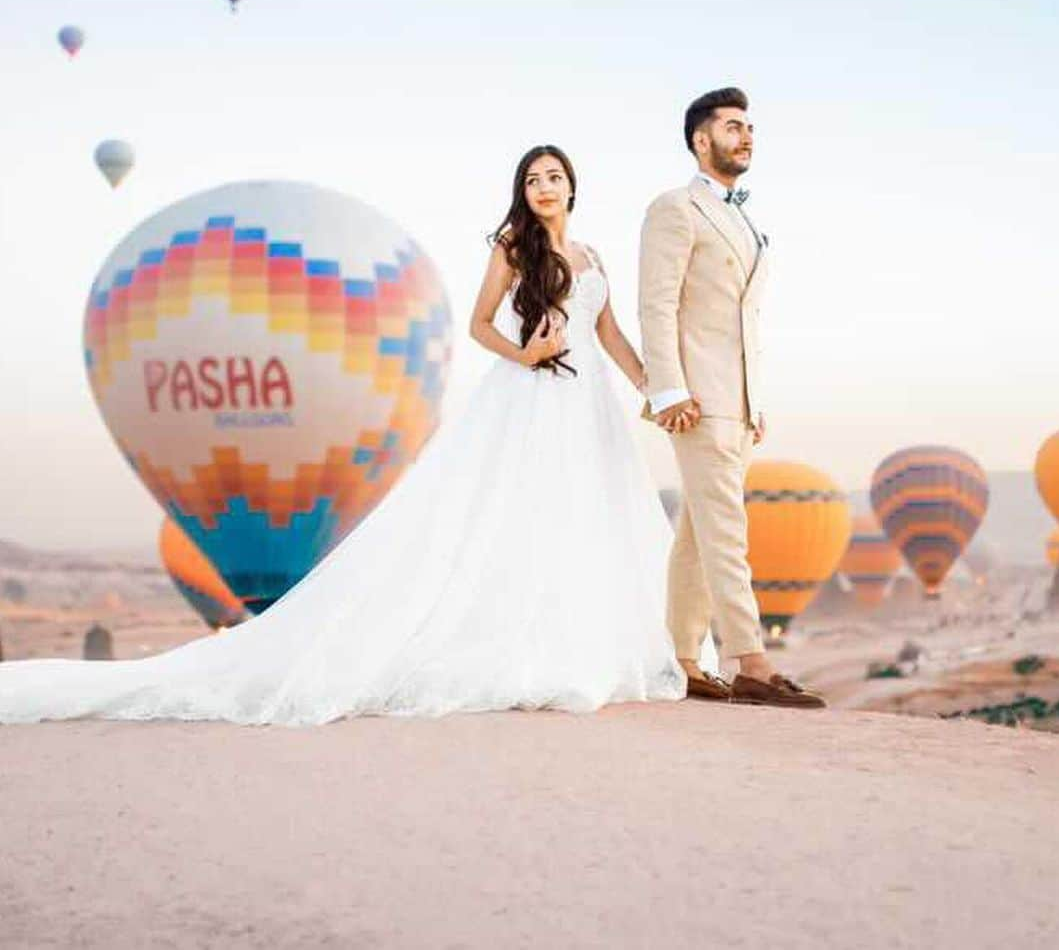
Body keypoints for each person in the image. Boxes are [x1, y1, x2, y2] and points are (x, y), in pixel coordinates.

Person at [0, 146, 685, 725]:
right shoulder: (512, 247)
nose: (544, 187)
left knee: (583, 516)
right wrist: (525, 356)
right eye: (533, 178)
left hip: (588, 399)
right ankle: (530, 648)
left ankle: (583, 641)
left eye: (554, 177)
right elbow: (480, 324)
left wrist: (654, 385)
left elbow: (610, 333)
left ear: (572, 186)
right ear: (522, 191)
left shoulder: (593, 255)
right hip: (534, 395)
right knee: (517, 516)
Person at [640, 88, 825, 708]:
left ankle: (683, 659)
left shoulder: (745, 219)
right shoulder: (674, 208)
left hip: (738, 405)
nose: (746, 137)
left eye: (750, 128)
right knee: (727, 531)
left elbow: (743, 319)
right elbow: (657, 303)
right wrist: (667, 388)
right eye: (732, 127)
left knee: (697, 534)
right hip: (696, 400)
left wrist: (754, 403)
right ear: (701, 139)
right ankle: (751, 659)